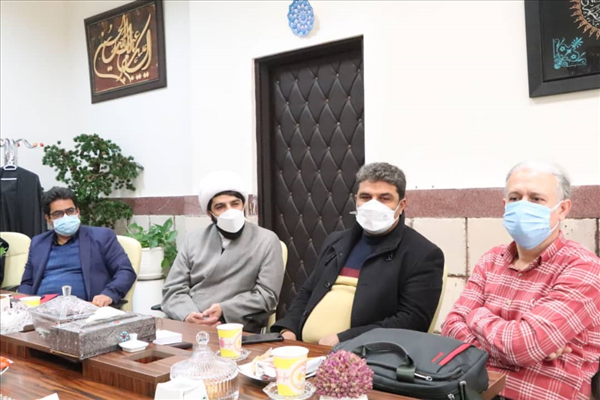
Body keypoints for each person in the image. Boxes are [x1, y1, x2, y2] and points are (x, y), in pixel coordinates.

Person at [442, 161, 600, 400]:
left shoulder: (584, 267)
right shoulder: (491, 259)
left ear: (562, 209)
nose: (523, 206)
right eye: (515, 198)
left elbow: (522, 346)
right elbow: (450, 328)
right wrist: (522, 349)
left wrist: (475, 315)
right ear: (505, 206)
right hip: (472, 390)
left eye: (536, 199)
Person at [271, 162, 445, 346]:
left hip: (364, 355)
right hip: (304, 350)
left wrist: (344, 339)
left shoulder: (423, 254)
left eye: (384, 198)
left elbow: (412, 321)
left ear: (401, 205)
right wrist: (288, 329)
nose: (373, 205)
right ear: (356, 200)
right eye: (366, 197)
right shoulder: (336, 242)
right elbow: (307, 292)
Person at [161, 171, 284, 333]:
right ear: (209, 213)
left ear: (243, 205)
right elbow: (173, 289)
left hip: (234, 325)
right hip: (189, 324)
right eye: (220, 207)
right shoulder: (193, 240)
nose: (230, 211)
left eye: (235, 204)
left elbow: (267, 295)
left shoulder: (266, 240)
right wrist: (188, 315)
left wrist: (224, 309)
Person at [19, 187, 136, 307]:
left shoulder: (101, 237)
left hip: (86, 310)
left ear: (78, 212)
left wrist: (109, 294)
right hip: (42, 310)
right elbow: (28, 283)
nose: (65, 217)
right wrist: (23, 303)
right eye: (58, 214)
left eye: (70, 211)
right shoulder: (38, 243)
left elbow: (125, 271)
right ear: (48, 219)